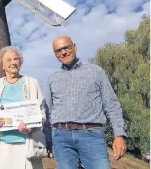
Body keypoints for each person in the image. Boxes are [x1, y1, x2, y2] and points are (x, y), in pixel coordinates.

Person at [46, 36, 127, 169]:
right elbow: (48, 110)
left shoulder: (96, 71)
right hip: (61, 137)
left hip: (91, 135)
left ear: (74, 47)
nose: (63, 52)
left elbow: (112, 104)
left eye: (66, 47)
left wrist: (119, 134)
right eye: (58, 51)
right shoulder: (52, 78)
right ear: (55, 55)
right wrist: (48, 139)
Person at [0, 46, 47, 169]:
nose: (13, 62)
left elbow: (42, 112)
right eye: (9, 60)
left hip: (26, 144)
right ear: (2, 65)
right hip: (1, 145)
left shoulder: (32, 82)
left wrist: (31, 126)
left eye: (16, 59)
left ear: (20, 62)